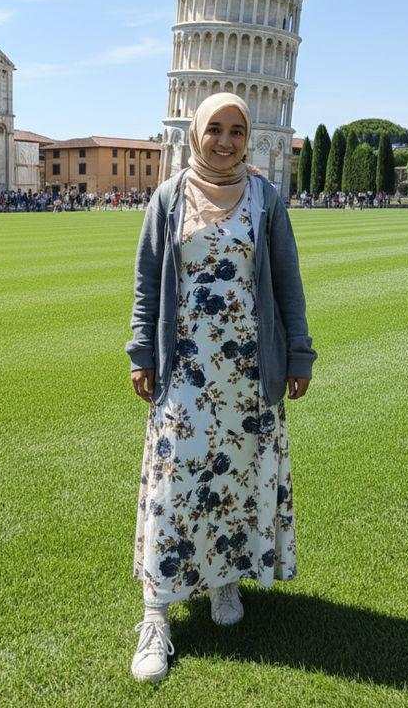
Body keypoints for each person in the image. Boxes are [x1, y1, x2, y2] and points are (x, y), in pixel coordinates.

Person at [126, 92, 316, 683]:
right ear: (195, 135)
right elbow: (146, 282)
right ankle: (156, 610)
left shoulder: (265, 200)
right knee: (174, 481)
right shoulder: (167, 198)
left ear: (248, 137)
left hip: (249, 371)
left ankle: (223, 580)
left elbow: (287, 280)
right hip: (184, 368)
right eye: (215, 129)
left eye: (237, 130)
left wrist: (300, 354)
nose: (226, 141)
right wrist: (141, 353)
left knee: (234, 476)